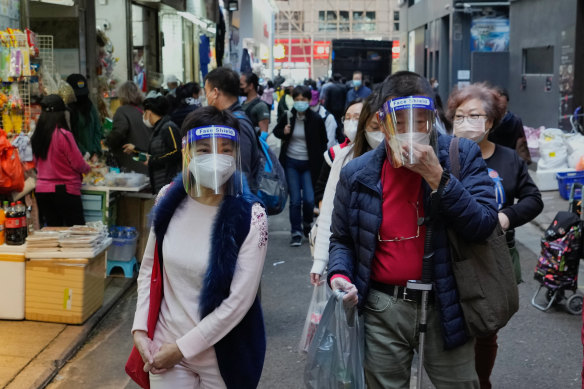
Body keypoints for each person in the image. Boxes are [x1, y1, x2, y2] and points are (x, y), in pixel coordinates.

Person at [327, 71, 498, 388]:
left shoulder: (461, 155)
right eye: (399, 121)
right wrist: (339, 275)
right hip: (383, 305)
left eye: (420, 120)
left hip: (448, 303)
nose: (410, 130)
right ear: (382, 120)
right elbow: (342, 240)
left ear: (432, 119)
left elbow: (483, 225)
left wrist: (439, 179)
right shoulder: (358, 172)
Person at [131, 106, 267, 388]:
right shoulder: (168, 198)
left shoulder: (251, 216)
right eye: (204, 149)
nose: (216, 159)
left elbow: (238, 303)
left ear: (236, 154)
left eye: (226, 150)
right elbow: (149, 268)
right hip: (165, 346)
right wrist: (141, 330)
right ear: (187, 152)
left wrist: (181, 348)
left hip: (222, 358)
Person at [447, 82, 543, 389]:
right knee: (451, 323)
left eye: (474, 116)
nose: (465, 123)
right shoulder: (440, 156)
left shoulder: (507, 159)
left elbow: (533, 199)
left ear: (490, 122)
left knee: (486, 325)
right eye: (459, 116)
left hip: (494, 256)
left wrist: (505, 217)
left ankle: (482, 382)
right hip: (451, 254)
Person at [311, 95, 388, 282]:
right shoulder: (344, 157)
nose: (381, 133)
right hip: (350, 253)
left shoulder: (403, 160)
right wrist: (321, 260)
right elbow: (329, 210)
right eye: (374, 128)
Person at [273, 85, 328, 247]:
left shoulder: (316, 119)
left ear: (309, 101)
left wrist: (321, 162)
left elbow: (323, 141)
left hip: (309, 165)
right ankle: (295, 231)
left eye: (303, 100)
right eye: (296, 100)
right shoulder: (288, 115)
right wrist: (284, 131)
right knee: (295, 200)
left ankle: (306, 223)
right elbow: (276, 131)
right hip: (291, 163)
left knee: (310, 200)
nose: (299, 103)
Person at [31, 95, 91, 226]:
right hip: (65, 190)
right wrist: (88, 168)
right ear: (61, 114)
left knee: (54, 233)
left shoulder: (37, 136)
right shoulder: (64, 135)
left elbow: (35, 163)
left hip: (42, 191)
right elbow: (78, 164)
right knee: (76, 234)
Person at [203, 67, 261, 193]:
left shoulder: (237, 124)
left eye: (206, 91)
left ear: (215, 92)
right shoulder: (231, 119)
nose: (206, 97)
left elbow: (242, 173)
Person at [123, 96, 182, 194]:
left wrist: (153, 160)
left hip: (168, 181)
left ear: (149, 113)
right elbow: (152, 156)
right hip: (160, 182)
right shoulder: (157, 130)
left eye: (144, 113)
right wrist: (135, 150)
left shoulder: (168, 127)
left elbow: (176, 151)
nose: (144, 117)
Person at [105, 81, 150, 175]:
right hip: (149, 161)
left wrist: (108, 141)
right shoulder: (146, 109)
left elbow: (119, 132)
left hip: (132, 164)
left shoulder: (122, 111)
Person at [488, 88, 531, 164]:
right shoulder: (516, 120)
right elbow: (521, 143)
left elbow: (521, 143)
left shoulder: (488, 121)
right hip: (509, 160)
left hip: (494, 160)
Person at [66, 74, 103, 162]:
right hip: (76, 158)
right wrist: (84, 153)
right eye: (78, 94)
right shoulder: (67, 110)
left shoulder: (90, 106)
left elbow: (98, 129)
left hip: (93, 158)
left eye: (83, 93)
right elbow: (69, 135)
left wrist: (95, 151)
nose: (81, 97)